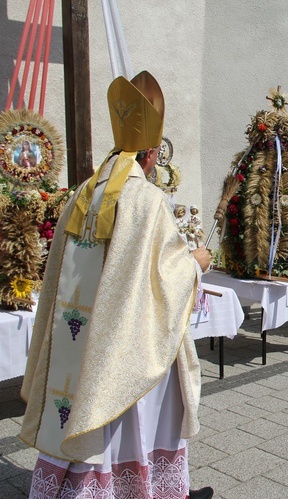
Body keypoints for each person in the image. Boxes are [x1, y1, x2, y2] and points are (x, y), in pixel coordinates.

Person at [19, 72, 214, 499]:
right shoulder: (148, 201)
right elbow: (164, 281)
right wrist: (197, 264)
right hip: (122, 345)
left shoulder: (83, 194)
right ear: (150, 155)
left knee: (81, 400)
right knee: (132, 402)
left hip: (78, 344)